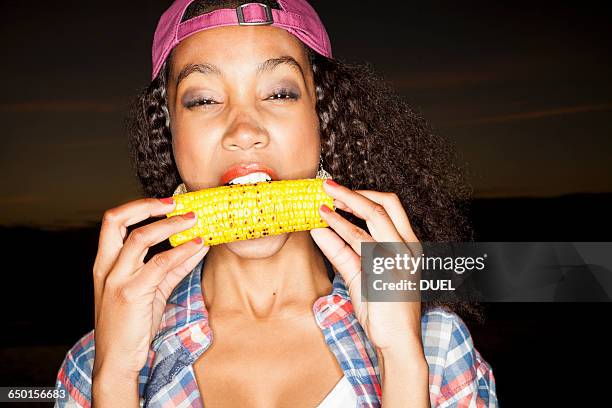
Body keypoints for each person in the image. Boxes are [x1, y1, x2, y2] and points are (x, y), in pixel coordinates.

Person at [55, 1, 497, 406]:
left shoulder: (434, 347)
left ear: (321, 117)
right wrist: (114, 379)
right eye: (203, 99)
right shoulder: (95, 363)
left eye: (279, 93)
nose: (243, 130)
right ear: (169, 132)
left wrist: (400, 360)